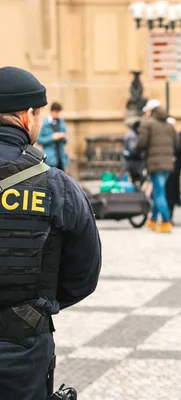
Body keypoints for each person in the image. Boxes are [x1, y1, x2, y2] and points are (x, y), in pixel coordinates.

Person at [0, 66, 101, 399]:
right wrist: (36, 304)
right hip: (23, 346)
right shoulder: (56, 186)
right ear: (28, 116)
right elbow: (84, 274)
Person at [136, 99, 179, 233]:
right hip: (167, 163)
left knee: (159, 192)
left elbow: (141, 143)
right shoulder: (169, 124)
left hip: (154, 163)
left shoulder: (147, 123)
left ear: (150, 110)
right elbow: (177, 144)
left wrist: (135, 150)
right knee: (158, 190)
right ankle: (153, 219)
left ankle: (166, 221)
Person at [37, 102, 68, 171]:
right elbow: (39, 140)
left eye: (58, 112)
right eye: (56, 112)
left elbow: (66, 141)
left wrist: (63, 137)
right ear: (51, 111)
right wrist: (52, 137)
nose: (57, 114)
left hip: (61, 158)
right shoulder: (44, 123)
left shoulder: (61, 122)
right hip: (50, 160)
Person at [123, 120, 145, 186]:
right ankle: (136, 189)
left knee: (135, 178)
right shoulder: (132, 136)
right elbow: (133, 149)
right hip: (134, 162)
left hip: (132, 161)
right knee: (136, 178)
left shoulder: (131, 134)